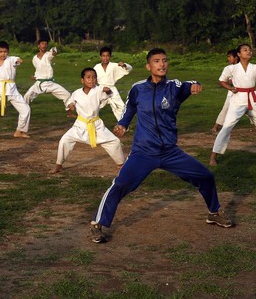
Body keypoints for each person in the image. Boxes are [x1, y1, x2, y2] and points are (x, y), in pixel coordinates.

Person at [90, 48, 233, 244]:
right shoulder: (138, 88)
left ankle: (214, 212)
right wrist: (122, 124)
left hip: (169, 152)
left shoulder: (173, 87)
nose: (162, 64)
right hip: (143, 151)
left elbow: (189, 84)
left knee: (205, 176)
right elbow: (130, 108)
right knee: (121, 184)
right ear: (149, 66)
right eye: (157, 61)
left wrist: (196, 85)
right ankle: (98, 224)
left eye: (165, 60)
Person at [210, 44, 256, 166]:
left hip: (253, 100)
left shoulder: (254, 67)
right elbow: (221, 80)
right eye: (245, 50)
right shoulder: (231, 68)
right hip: (238, 100)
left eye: (250, 50)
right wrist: (230, 88)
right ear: (239, 54)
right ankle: (213, 156)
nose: (249, 51)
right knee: (227, 127)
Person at [52, 67, 125, 174]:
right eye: (88, 77)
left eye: (94, 77)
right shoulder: (77, 93)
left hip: (97, 125)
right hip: (80, 125)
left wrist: (108, 90)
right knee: (64, 140)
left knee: (115, 142)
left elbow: (109, 94)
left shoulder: (99, 90)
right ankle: (58, 165)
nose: (91, 80)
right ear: (82, 80)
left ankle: (121, 164)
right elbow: (70, 102)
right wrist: (71, 105)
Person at [0, 41, 31, 140]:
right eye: (0, 52)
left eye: (5, 52)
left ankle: (19, 131)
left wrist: (19, 61)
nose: (3, 54)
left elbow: (17, 60)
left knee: (26, 109)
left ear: (8, 52)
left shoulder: (11, 59)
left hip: (11, 88)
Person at [23, 39, 71, 114]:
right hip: (39, 83)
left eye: (46, 44)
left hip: (50, 83)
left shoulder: (48, 55)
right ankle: (23, 112)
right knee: (27, 96)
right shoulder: (34, 58)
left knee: (67, 95)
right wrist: (34, 77)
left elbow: (53, 53)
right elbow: (38, 69)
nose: (44, 45)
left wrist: (54, 51)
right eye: (42, 44)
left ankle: (69, 111)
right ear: (38, 45)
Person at [93, 46, 132, 121]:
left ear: (110, 56)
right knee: (94, 105)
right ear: (100, 57)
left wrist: (124, 65)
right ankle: (89, 122)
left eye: (107, 56)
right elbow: (93, 78)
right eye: (103, 56)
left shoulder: (114, 66)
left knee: (121, 107)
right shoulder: (96, 67)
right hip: (101, 89)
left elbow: (129, 69)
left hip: (112, 89)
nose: (105, 58)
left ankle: (122, 125)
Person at [211, 49, 240, 133]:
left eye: (230, 57)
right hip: (232, 92)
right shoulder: (228, 68)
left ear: (236, 57)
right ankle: (216, 126)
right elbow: (221, 81)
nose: (228, 59)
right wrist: (229, 83)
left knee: (250, 109)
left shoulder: (243, 67)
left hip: (245, 92)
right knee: (225, 108)